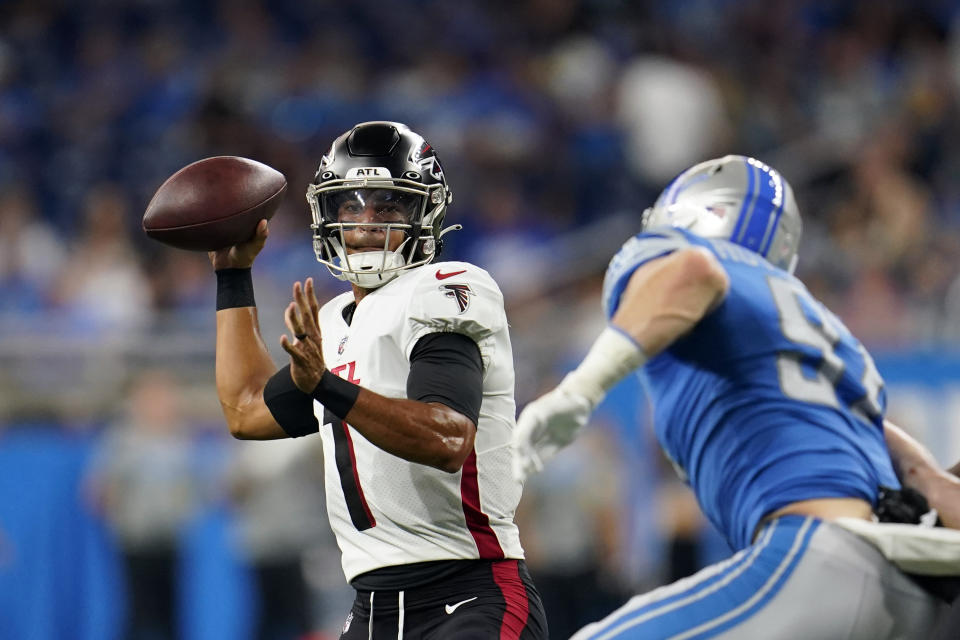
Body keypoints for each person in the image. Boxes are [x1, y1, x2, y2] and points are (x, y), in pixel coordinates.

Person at [512, 155, 960, 638]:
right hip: (906, 590)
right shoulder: (829, 338)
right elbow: (908, 463)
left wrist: (577, 392)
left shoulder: (681, 254)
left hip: (816, 563)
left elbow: (694, 269)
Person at [210, 121, 547, 639]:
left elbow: (447, 438)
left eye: (387, 207)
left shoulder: (447, 287)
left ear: (423, 213)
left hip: (469, 591)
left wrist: (325, 384)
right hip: (372, 610)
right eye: (351, 207)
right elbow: (245, 409)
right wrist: (233, 277)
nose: (367, 223)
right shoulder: (332, 320)